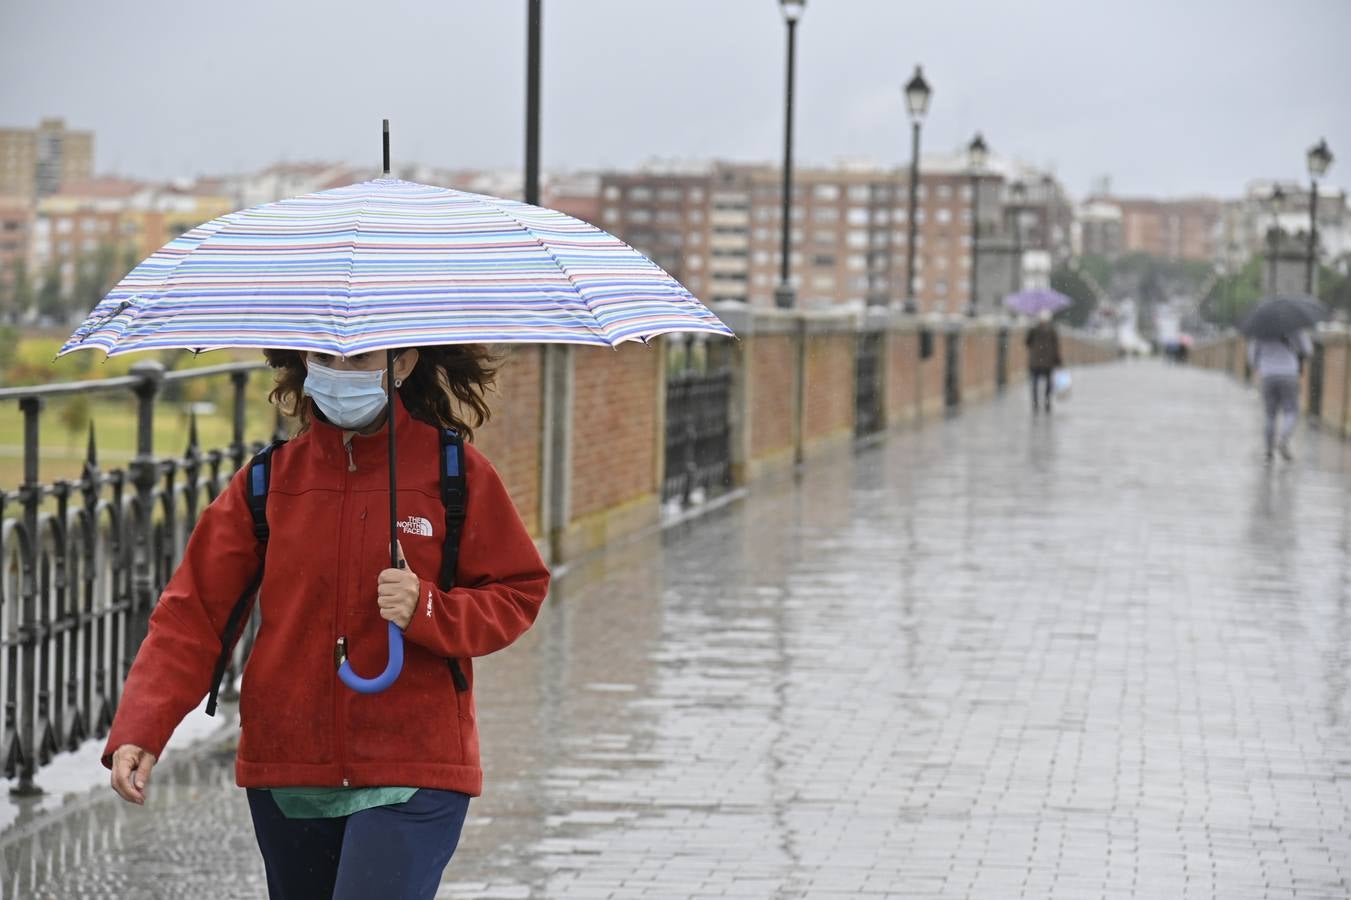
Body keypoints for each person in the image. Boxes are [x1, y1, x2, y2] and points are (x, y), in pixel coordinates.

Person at [104, 345, 550, 900]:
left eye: (361, 359)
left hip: (413, 765)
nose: (340, 374)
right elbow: (192, 614)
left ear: (403, 363)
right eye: (326, 358)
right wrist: (141, 729)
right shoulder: (267, 481)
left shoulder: (455, 473)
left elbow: (517, 591)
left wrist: (427, 607)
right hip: (288, 766)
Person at [1248, 330, 1313, 462]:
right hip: (1289, 374)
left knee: (1270, 415)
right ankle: (1283, 438)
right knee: (1291, 411)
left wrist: (1262, 364)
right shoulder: (1295, 329)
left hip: (1267, 375)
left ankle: (1268, 451)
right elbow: (1308, 350)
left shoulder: (1261, 330)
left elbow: (1252, 357)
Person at [1025, 310, 1063, 413]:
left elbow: (1027, 343)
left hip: (1035, 362)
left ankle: (1035, 404)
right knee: (1048, 384)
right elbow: (1056, 347)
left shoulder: (1034, 329)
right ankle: (1047, 403)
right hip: (1048, 362)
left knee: (1035, 384)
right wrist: (1058, 361)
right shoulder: (1052, 330)